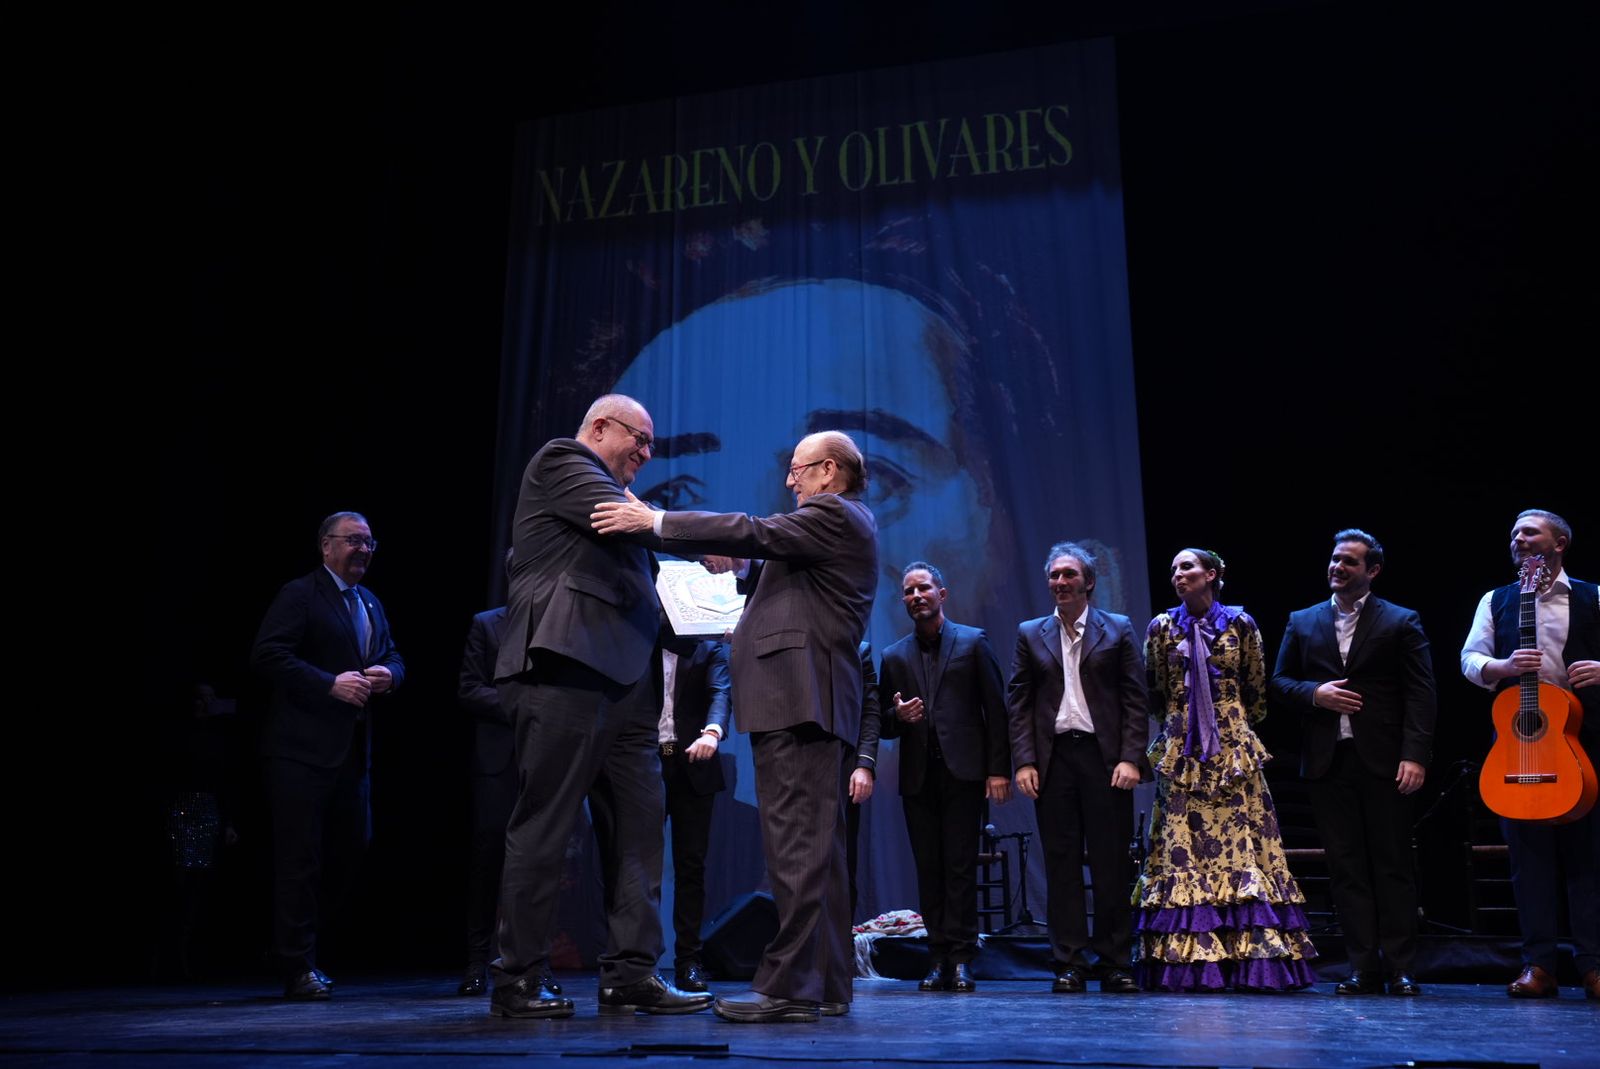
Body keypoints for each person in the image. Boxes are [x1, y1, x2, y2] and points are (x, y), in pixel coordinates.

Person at [592, 429, 877, 1023]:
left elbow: (755, 529)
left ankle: (790, 989)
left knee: (797, 846)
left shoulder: (834, 513)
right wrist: (745, 570)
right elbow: (779, 574)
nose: (790, 480)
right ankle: (824, 983)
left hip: (800, 699)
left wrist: (657, 520)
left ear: (828, 470)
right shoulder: (834, 526)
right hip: (807, 699)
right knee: (817, 850)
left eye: (797, 469)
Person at [490, 394, 712, 1019]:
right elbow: (629, 521)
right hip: (565, 670)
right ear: (599, 427)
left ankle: (631, 974)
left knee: (642, 831)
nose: (645, 453)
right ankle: (518, 978)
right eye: (638, 440)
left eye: (649, 445)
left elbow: (652, 596)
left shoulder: (625, 516)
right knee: (546, 827)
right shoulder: (564, 461)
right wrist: (700, 540)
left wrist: (716, 606)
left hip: (628, 691)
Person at [1134, 548, 1316, 992]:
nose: (1178, 575)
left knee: (1243, 847)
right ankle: (1191, 966)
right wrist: (1185, 725)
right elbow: (1155, 689)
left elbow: (1256, 687)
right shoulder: (1161, 628)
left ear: (1211, 575)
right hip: (1183, 750)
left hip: (1232, 746)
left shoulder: (1240, 624)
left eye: (1188, 567)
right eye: (1174, 568)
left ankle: (1252, 962)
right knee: (1182, 846)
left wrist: (1226, 724)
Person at [1270, 529, 1436, 996]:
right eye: (1334, 560)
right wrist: (1315, 694)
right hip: (1328, 762)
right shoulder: (1303, 621)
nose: (1337, 568)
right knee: (1346, 867)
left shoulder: (1401, 621)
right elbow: (1279, 682)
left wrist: (1415, 755)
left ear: (1372, 571)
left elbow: (1421, 694)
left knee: (1392, 865)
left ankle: (1402, 966)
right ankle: (1362, 967)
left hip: (1384, 760)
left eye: (1349, 562)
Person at [251, 511, 405, 999]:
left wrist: (390, 675)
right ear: (325, 546)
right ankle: (295, 964)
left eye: (369, 543)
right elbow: (268, 655)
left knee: (350, 850)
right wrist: (328, 685)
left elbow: (393, 654)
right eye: (353, 541)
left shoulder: (370, 602)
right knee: (300, 860)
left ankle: (296, 950)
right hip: (300, 752)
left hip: (351, 755)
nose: (363, 550)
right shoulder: (300, 594)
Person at [1460, 508, 1600, 1000]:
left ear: (1559, 543)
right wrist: (1501, 665)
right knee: (1529, 864)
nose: (1518, 539)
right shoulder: (1497, 599)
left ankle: (1593, 966)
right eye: (1514, 533)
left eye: (1530, 531)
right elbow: (1470, 658)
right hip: (1520, 751)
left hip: (1585, 746)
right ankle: (1538, 965)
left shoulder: (1593, 596)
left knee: (1590, 861)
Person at [1006, 543, 1147, 994]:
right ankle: (1069, 962)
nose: (1060, 582)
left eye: (1069, 575)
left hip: (1104, 759)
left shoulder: (1119, 629)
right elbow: (1020, 702)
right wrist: (1025, 760)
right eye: (1054, 576)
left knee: (1110, 864)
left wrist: (1130, 757)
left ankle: (1114, 961)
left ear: (1088, 582)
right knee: (1062, 864)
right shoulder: (1031, 633)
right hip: (1054, 760)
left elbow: (1134, 699)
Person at [880, 561, 1010, 993]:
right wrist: (896, 716)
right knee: (928, 870)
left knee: (959, 868)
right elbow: (882, 723)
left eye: (923, 588)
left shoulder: (973, 642)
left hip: (964, 775)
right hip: (918, 778)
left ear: (942, 594)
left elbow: (996, 710)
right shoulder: (893, 655)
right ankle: (936, 958)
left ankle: (961, 958)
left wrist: (997, 770)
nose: (916, 596)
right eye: (908, 591)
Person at [658, 632, 732, 993]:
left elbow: (721, 692)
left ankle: (688, 961)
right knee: (639, 867)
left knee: (691, 867)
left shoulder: (709, 648)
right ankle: (637, 960)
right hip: (645, 765)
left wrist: (713, 732)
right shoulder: (640, 643)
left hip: (693, 763)